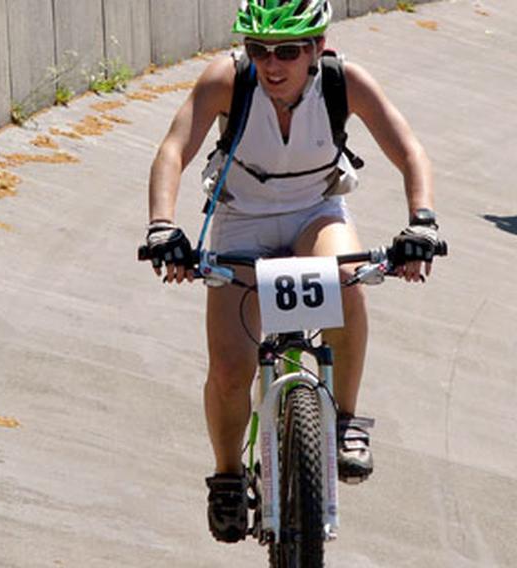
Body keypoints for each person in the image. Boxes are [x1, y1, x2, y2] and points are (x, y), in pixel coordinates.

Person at [143, 0, 443, 543]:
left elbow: (410, 151)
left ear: (317, 47)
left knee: (346, 275)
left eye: (287, 51)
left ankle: (346, 420)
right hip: (241, 223)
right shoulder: (227, 80)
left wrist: (421, 221)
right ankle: (228, 477)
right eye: (258, 50)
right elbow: (172, 150)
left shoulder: (342, 82)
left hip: (315, 212)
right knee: (232, 371)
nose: (271, 64)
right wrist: (163, 228)